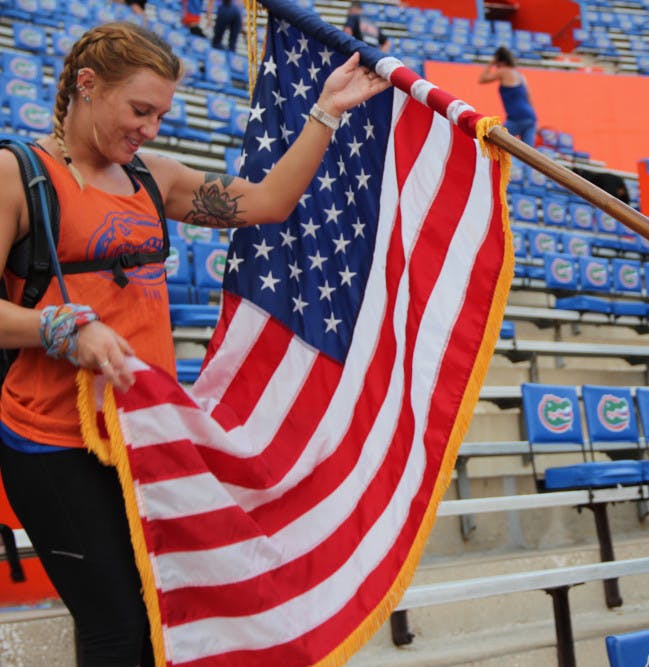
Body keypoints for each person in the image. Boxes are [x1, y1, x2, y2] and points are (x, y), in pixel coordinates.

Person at [0, 21, 389, 666]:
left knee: (166, 625)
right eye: (140, 110)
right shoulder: (18, 175)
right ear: (88, 87)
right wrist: (59, 326)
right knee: (118, 630)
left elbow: (267, 202)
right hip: (52, 442)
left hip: (144, 440)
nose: (150, 129)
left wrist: (327, 109)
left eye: (160, 115)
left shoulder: (153, 176)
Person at [478, 46, 537, 147]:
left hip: (517, 118)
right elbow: (529, 97)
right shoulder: (519, 74)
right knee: (528, 154)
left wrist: (490, 63)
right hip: (530, 117)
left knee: (493, 142)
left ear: (499, 60)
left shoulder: (504, 71)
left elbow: (482, 79)